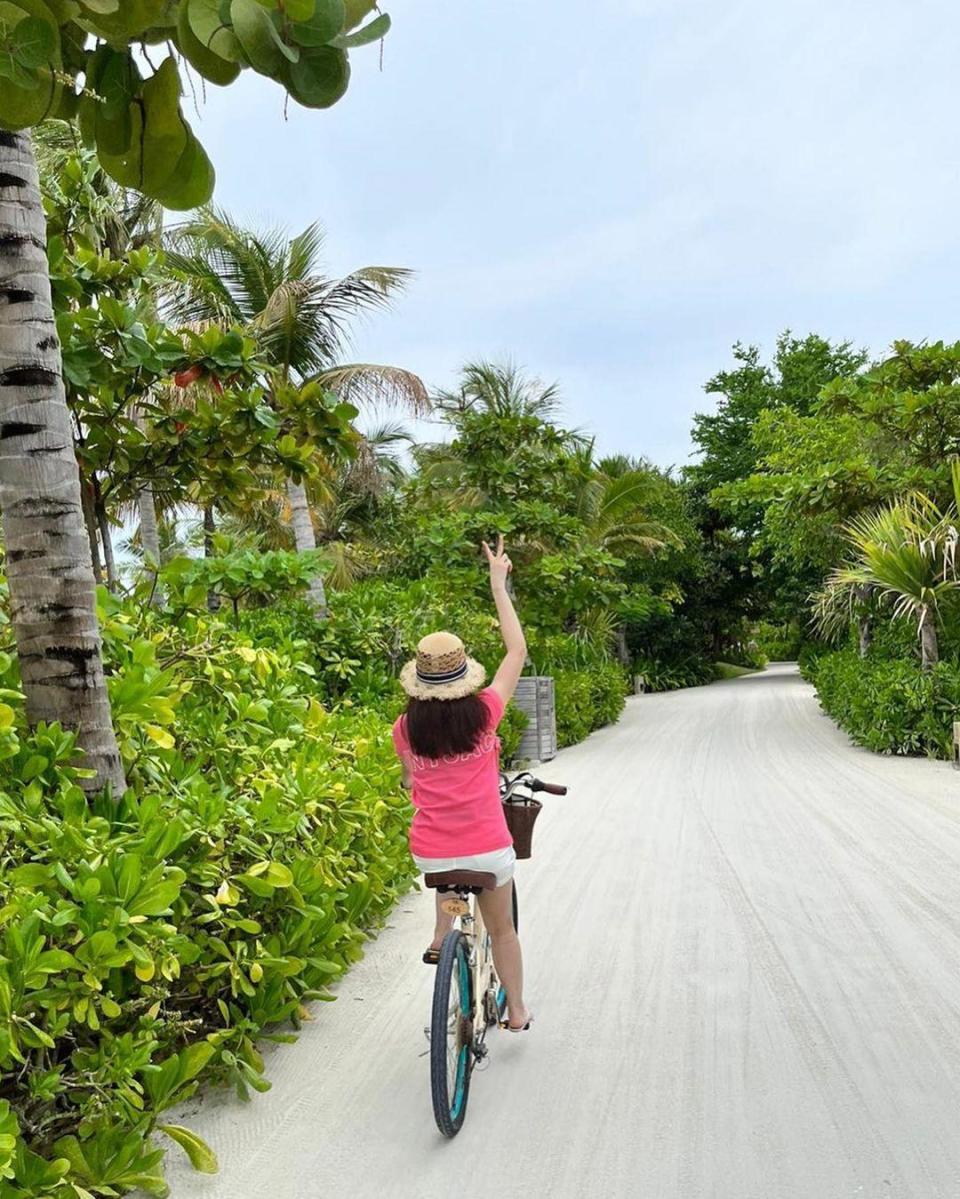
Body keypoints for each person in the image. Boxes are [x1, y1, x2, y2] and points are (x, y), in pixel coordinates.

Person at [392, 536, 531, 1031]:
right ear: (462, 674)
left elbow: (411, 778)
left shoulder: (405, 729)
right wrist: (499, 582)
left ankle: (441, 932)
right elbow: (516, 649)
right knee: (502, 929)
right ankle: (516, 1011)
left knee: (447, 861)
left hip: (431, 853)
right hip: (487, 849)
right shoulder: (486, 713)